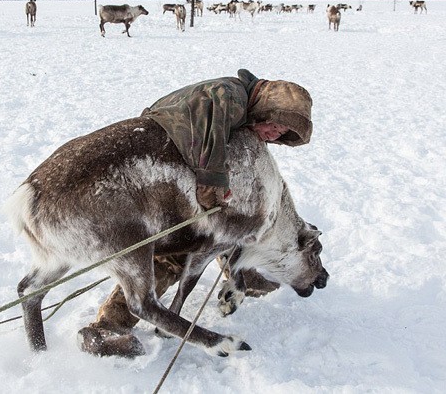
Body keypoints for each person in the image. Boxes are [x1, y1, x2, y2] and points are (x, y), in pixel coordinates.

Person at [78, 68, 313, 357]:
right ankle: (111, 323)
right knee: (175, 253)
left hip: (171, 168)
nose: (272, 136)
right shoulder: (231, 98)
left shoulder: (239, 107)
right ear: (267, 109)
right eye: (275, 127)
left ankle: (239, 274)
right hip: (162, 173)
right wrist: (211, 184)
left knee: (222, 221)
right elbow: (207, 134)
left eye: (279, 135)